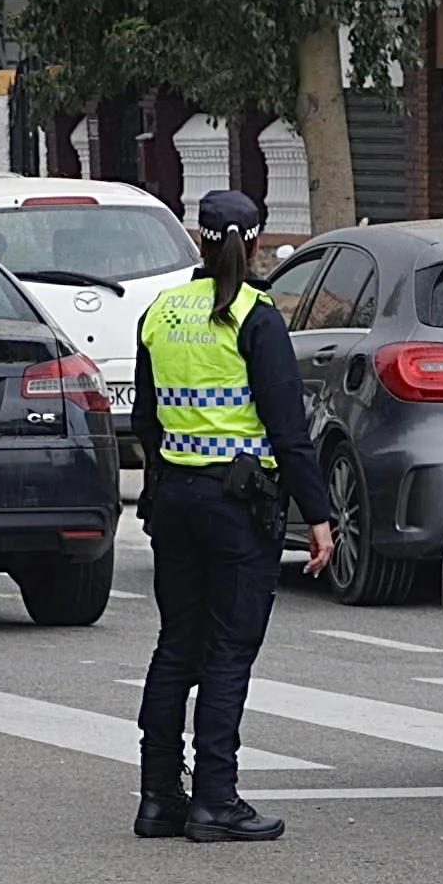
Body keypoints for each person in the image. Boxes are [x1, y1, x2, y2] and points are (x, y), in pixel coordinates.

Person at [124, 186, 337, 843]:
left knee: (175, 646)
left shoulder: (161, 310)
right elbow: (287, 430)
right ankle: (216, 797)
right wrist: (320, 515)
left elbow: (142, 422)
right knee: (227, 651)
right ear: (255, 241)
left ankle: (159, 795)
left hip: (175, 502)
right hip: (238, 507)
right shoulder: (255, 315)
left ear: (198, 237)